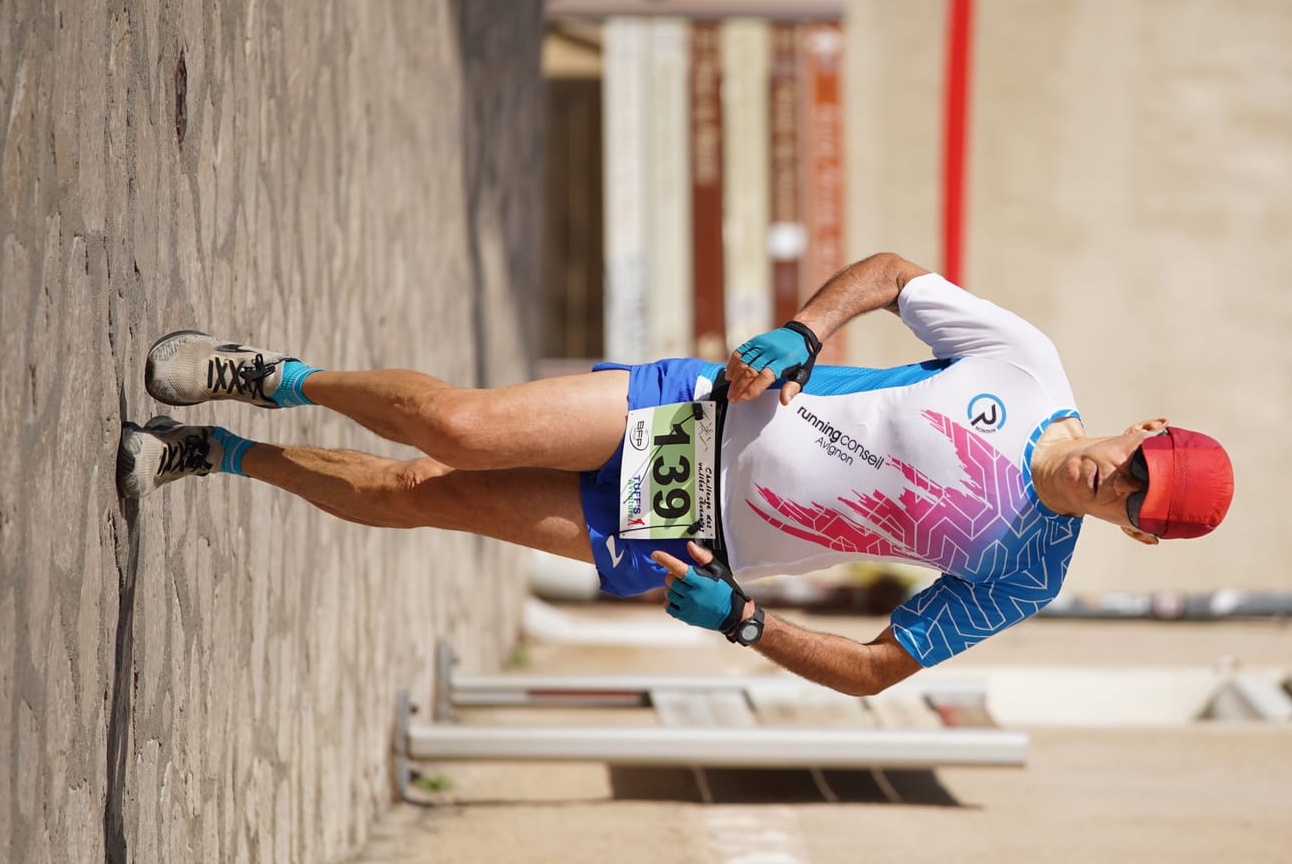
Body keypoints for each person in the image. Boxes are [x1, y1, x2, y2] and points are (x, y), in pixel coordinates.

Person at [118, 253, 1234, 695]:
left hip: (691, 535)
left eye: (1141, 505)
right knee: (457, 426)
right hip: (689, 412)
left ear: (1138, 535)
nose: (1121, 484)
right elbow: (894, 275)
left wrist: (743, 624)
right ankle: (272, 376)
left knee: (427, 498)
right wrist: (802, 333)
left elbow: (873, 669)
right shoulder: (1028, 367)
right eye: (1141, 466)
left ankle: (216, 454)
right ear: (1144, 428)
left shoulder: (1025, 569)